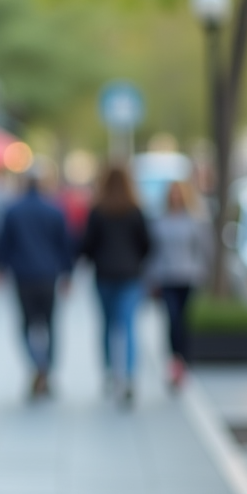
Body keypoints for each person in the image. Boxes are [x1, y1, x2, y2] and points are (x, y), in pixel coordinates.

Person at [0, 170, 73, 399]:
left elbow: (3, 244)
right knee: (50, 325)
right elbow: (65, 245)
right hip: (48, 276)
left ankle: (37, 365)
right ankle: (46, 368)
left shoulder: (13, 210)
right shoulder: (54, 210)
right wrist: (68, 273)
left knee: (26, 325)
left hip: (23, 276)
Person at [79, 164, 151, 405]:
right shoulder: (136, 210)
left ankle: (110, 373)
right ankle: (128, 376)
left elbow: (87, 245)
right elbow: (147, 244)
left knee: (107, 326)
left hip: (105, 275)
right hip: (130, 275)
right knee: (128, 325)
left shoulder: (98, 211)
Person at [148, 180, 212, 389]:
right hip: (166, 276)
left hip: (188, 276)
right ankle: (174, 360)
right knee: (172, 318)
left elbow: (204, 248)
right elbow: (152, 251)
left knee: (184, 320)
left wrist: (204, 273)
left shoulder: (194, 220)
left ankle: (183, 360)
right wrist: (151, 276)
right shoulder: (159, 220)